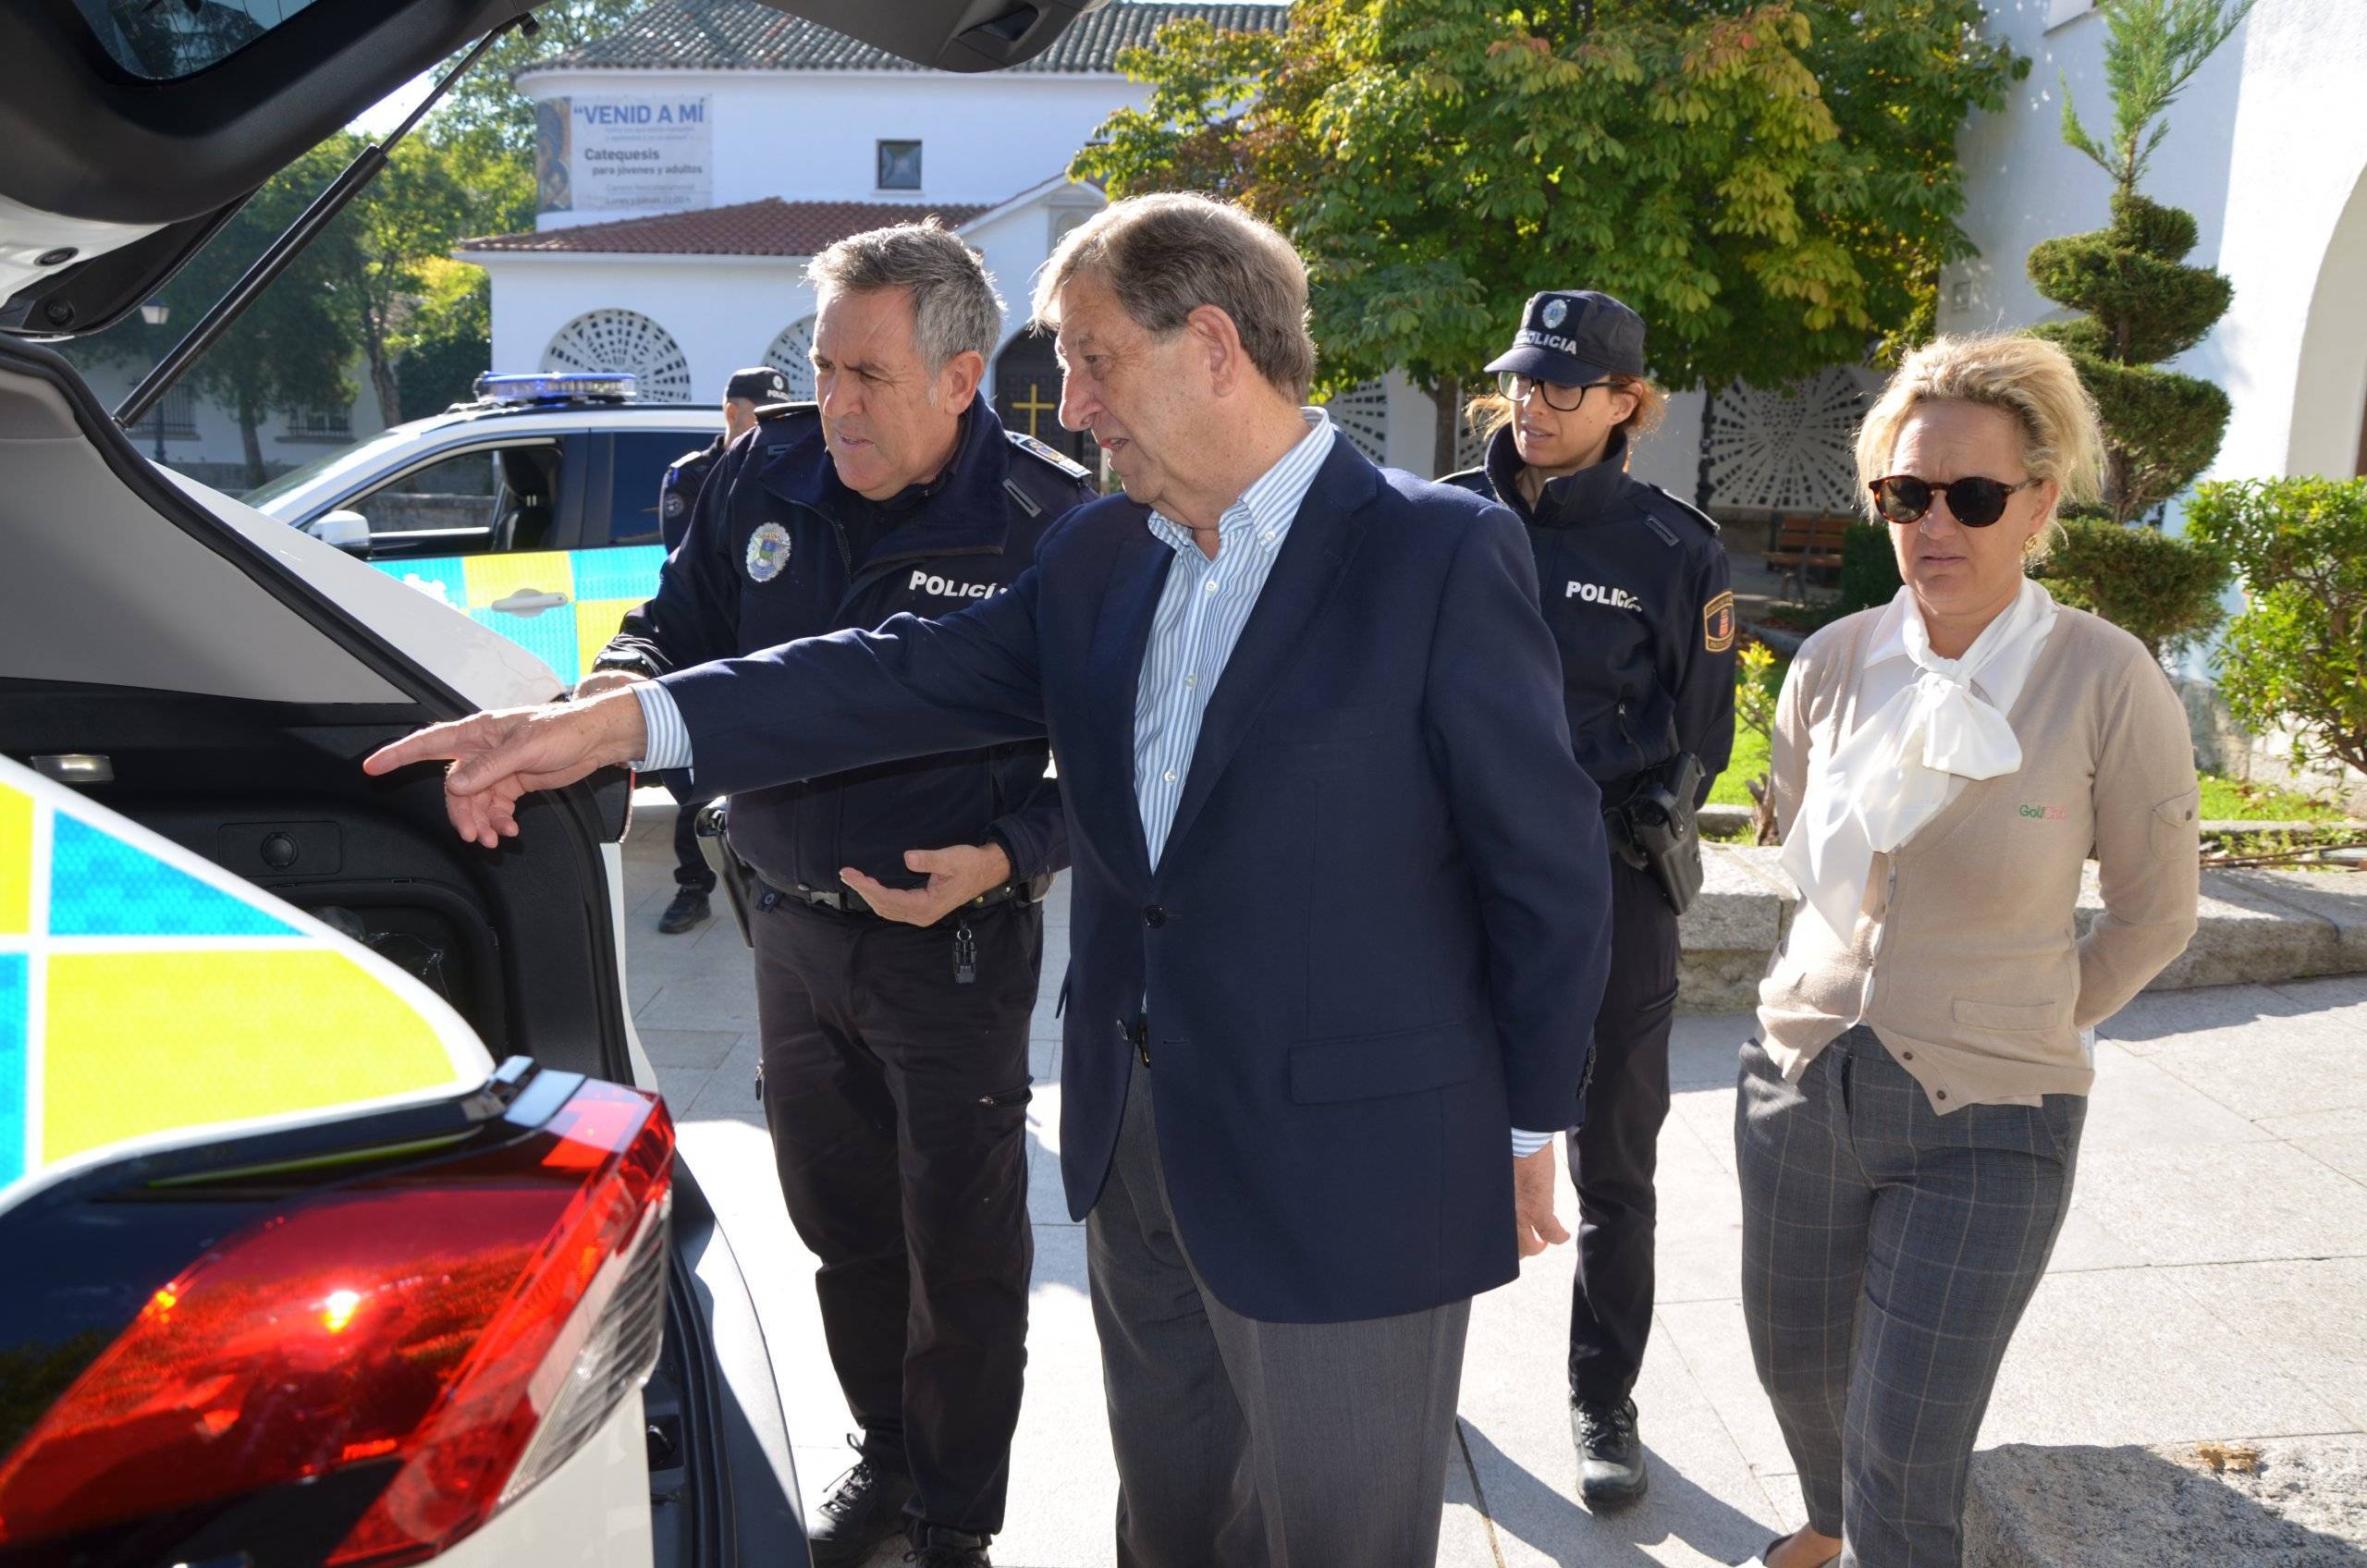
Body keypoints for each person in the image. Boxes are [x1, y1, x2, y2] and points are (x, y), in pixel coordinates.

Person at [365, 191, 1615, 1568]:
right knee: (1174, 1527)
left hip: (1353, 1169)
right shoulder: (1100, 554)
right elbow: (880, 677)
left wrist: (1520, 1129)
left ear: (1211, 345)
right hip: (1139, 1144)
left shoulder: (1432, 551)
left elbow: (1543, 867)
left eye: (1091, 360)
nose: (1070, 406)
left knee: (1337, 1539)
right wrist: (592, 728)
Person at [575, 223, 1095, 1567]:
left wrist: (1013, 853)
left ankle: (956, 1520)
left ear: (961, 376)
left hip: (957, 950)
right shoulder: (767, 466)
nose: (839, 403)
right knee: (845, 1230)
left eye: (869, 374)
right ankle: (887, 1461)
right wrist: (614, 688)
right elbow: (672, 624)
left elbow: (1121, 756)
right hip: (794, 936)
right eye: (824, 366)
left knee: (964, 1248)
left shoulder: (1047, 520)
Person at [1737, 334, 2200, 1568]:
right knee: (1794, 1366)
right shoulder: (1834, 665)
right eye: (1905, 494)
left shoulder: (2107, 681)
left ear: (2039, 502)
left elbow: (2157, 914)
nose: (1934, 524)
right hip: (1799, 1079)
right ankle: (1825, 1528)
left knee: (1908, 1452)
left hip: (1992, 1113)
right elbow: (1799, 844)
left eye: (1974, 497)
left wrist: (2033, 1009)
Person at [1446, 290, 1734, 1508]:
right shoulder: (1441, 516)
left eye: (1565, 387)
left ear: (1628, 405)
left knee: (1616, 1166)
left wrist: (1639, 811)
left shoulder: (1675, 549)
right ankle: (1410, 1375)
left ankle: (1603, 1398)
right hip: (1452, 883)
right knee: (1430, 1140)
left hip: (1614, 884)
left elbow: (1702, 736)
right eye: (1523, 380)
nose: (1535, 405)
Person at [609, 363, 786, 935]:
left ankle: (768, 878)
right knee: (698, 768)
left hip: (769, 642)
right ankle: (694, 886)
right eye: (763, 415)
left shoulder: (793, 469)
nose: (774, 427)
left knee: (770, 769)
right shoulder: (695, 476)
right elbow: (698, 564)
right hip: (708, 644)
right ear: (734, 412)